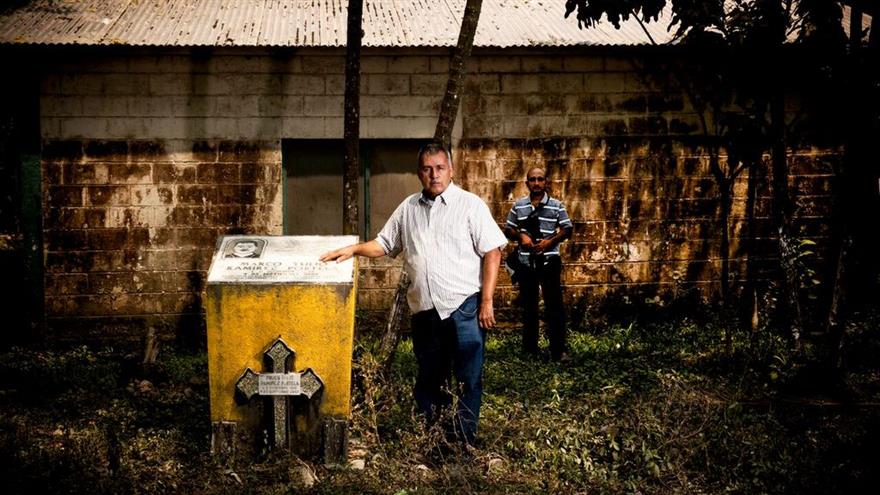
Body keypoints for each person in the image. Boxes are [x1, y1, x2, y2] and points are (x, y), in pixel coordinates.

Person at [320, 143, 506, 447]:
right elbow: (383, 243)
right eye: (427, 168)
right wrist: (353, 249)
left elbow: (492, 252)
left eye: (440, 168)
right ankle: (435, 441)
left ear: (451, 170)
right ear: (419, 172)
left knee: (467, 378)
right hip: (425, 312)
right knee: (431, 379)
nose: (434, 175)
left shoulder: (470, 205)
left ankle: (463, 443)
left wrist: (486, 301)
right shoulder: (408, 208)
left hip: (465, 308)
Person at [504, 167, 573, 362]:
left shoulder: (556, 205)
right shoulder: (519, 206)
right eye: (532, 180)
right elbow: (508, 229)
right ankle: (530, 351)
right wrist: (521, 236)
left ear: (545, 182)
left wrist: (550, 242)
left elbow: (567, 228)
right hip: (526, 262)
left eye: (540, 179)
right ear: (527, 183)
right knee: (529, 307)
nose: (536, 183)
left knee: (555, 306)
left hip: (550, 260)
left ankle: (559, 351)